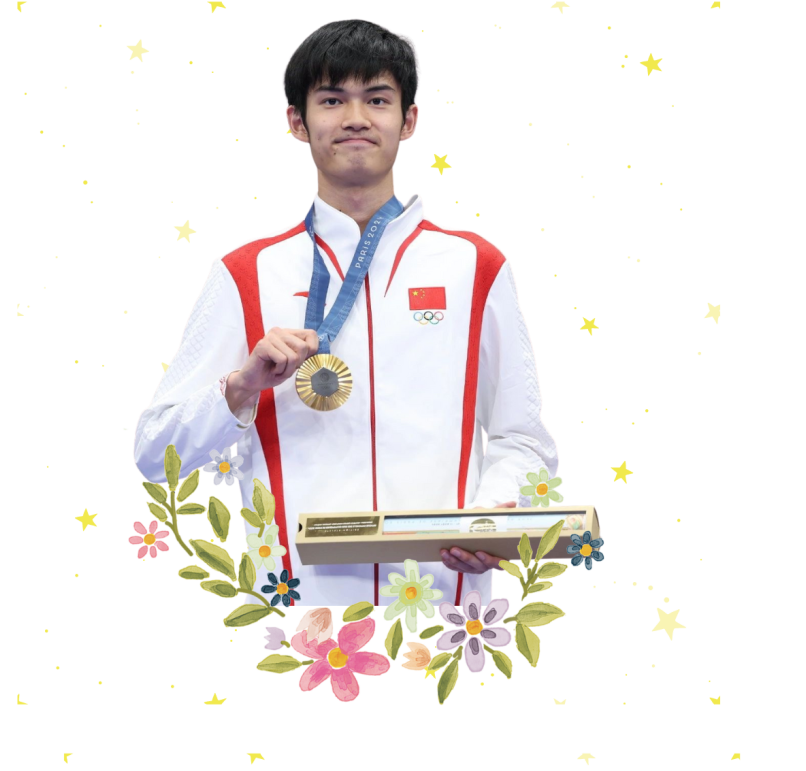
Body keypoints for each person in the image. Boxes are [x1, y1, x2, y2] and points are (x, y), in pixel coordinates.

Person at [132, 18, 559, 611]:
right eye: (332, 100)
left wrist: (493, 518)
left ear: (409, 121)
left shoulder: (476, 265)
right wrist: (240, 387)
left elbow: (523, 437)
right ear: (296, 122)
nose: (356, 117)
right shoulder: (244, 271)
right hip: (290, 616)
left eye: (377, 99)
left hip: (443, 613)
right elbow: (154, 453)